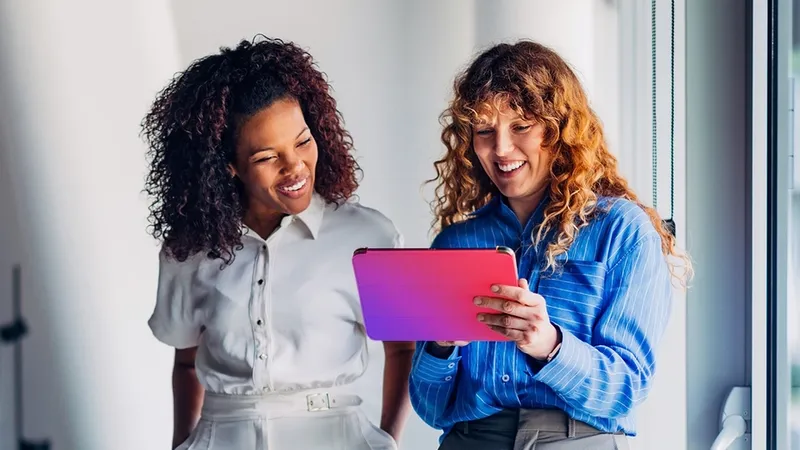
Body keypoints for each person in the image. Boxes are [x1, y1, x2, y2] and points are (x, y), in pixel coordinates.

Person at [409, 40, 692, 450]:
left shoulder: (622, 231)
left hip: (578, 440)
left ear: (558, 129)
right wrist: (439, 346)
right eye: (485, 131)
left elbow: (627, 388)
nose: (501, 149)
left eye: (520, 126)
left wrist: (551, 345)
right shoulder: (456, 243)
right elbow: (432, 409)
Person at [141, 37, 413, 450]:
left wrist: (388, 440)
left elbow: (403, 349)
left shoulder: (367, 237)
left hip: (337, 436)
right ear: (229, 166)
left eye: (303, 141)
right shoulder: (189, 250)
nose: (295, 166)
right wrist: (182, 443)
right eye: (267, 157)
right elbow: (186, 361)